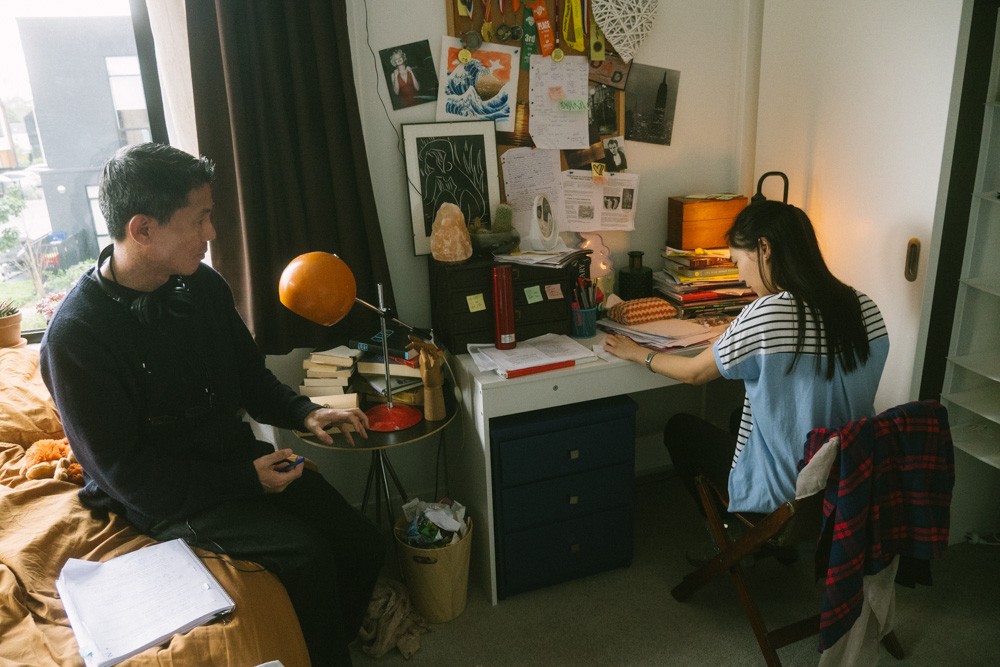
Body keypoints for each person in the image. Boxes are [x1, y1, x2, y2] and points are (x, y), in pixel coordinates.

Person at [40, 142, 385, 666]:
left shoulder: (201, 287)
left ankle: (332, 637)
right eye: (199, 219)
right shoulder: (76, 339)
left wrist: (303, 412)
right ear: (143, 230)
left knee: (362, 541)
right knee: (307, 554)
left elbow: (248, 376)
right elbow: (127, 476)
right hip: (167, 497)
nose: (212, 234)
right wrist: (247, 481)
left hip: (236, 462)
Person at [603, 200, 888, 519]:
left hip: (786, 493)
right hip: (846, 481)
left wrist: (636, 352)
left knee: (680, 428)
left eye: (738, 262)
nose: (740, 276)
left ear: (764, 248)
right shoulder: (864, 306)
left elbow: (693, 374)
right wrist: (735, 331)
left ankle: (735, 529)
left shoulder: (768, 312)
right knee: (740, 415)